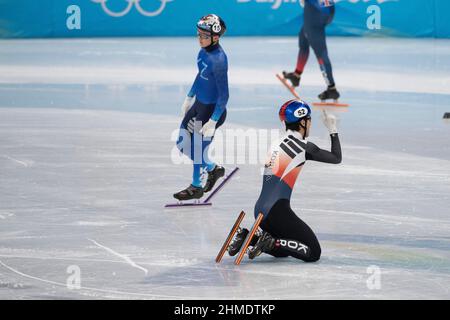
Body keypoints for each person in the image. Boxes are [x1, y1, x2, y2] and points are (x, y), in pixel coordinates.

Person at [228, 99, 342, 262]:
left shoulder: (276, 143)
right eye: (309, 121)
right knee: (312, 252)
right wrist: (332, 128)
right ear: (303, 122)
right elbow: (336, 158)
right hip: (277, 211)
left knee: (283, 249)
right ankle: (267, 241)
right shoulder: (304, 147)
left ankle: (249, 238)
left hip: (260, 210)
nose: (310, 125)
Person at [174, 14, 229, 201]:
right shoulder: (202, 53)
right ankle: (214, 168)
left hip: (212, 112)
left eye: (204, 36)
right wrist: (189, 97)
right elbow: (201, 76)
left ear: (216, 37)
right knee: (182, 144)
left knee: (198, 149)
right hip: (198, 106)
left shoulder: (219, 60)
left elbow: (224, 95)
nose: (200, 39)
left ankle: (196, 186)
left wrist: (213, 121)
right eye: (199, 35)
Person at [282, 0, 340, 102]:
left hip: (316, 13)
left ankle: (331, 88)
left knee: (320, 53)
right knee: (304, 37)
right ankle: (297, 75)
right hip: (327, 10)